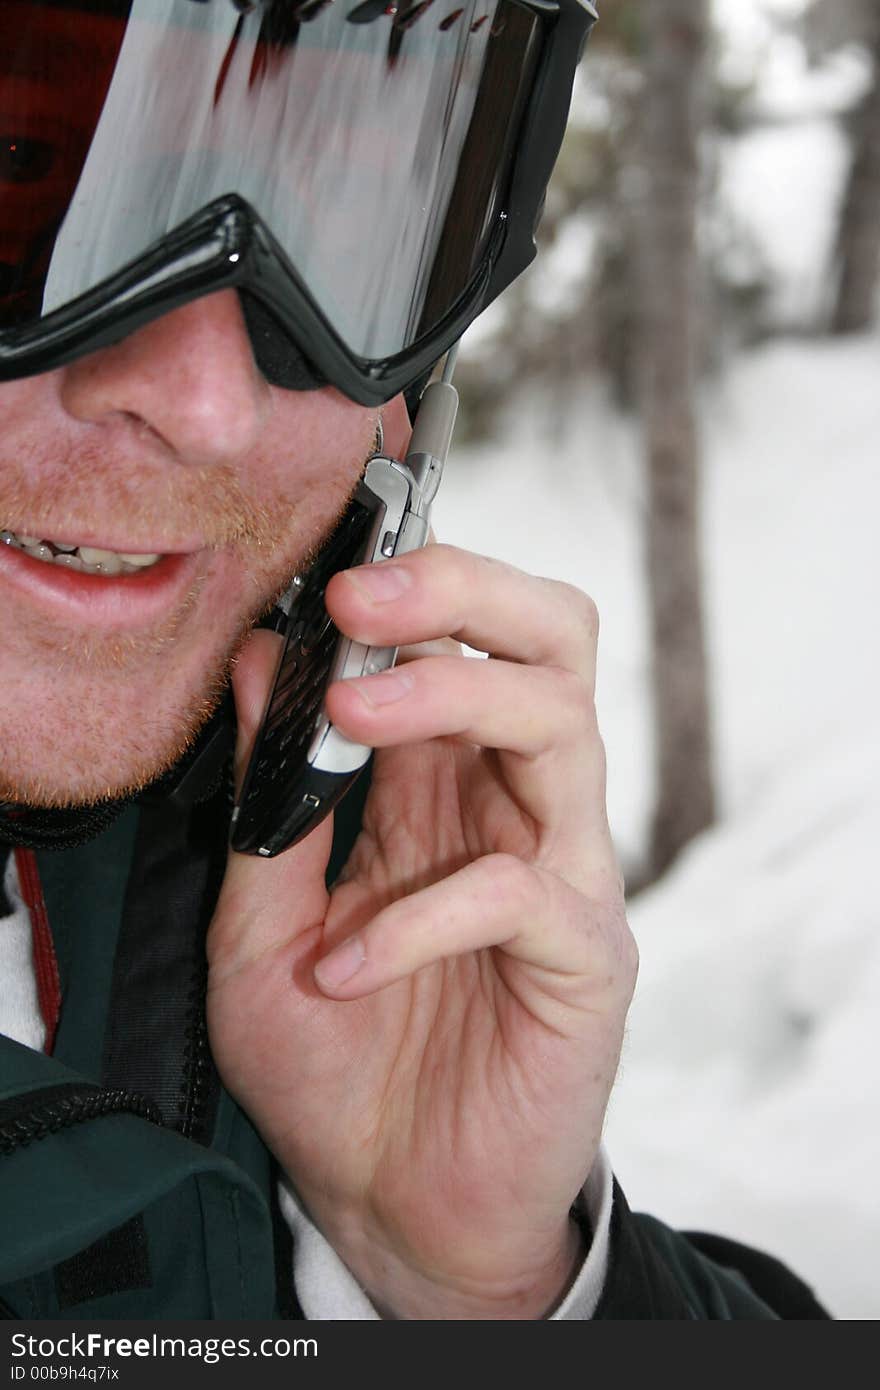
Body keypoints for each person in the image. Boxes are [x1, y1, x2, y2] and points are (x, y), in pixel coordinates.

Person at [0, 0, 828, 1321]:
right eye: (23, 168)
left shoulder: (286, 910)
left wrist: (475, 1286)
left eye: (341, 238)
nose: (208, 402)